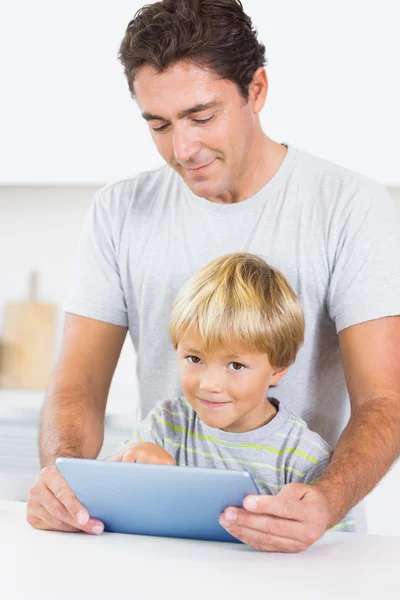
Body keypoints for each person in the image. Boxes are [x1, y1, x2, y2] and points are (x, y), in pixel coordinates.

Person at [27, 0, 400, 551]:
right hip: (157, 542)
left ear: (256, 90)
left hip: (303, 551)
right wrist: (67, 483)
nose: (183, 149)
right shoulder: (119, 210)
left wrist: (324, 500)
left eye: (202, 117)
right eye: (159, 124)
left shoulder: (351, 207)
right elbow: (77, 387)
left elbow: (384, 401)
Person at [108, 253, 356, 548]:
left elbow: (337, 551)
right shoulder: (163, 427)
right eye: (194, 358)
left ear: (278, 368)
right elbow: (108, 502)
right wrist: (133, 466)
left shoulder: (303, 457)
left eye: (235, 365)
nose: (210, 385)